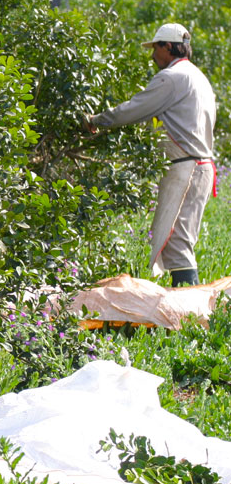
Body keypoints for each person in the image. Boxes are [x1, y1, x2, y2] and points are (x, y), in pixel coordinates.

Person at [84, 23, 216, 287]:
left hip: (186, 168)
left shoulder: (172, 77)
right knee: (179, 239)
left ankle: (186, 316)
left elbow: (136, 108)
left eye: (155, 48)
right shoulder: (198, 76)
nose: (153, 55)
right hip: (199, 166)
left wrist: (98, 119)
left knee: (176, 242)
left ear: (168, 47)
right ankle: (185, 313)